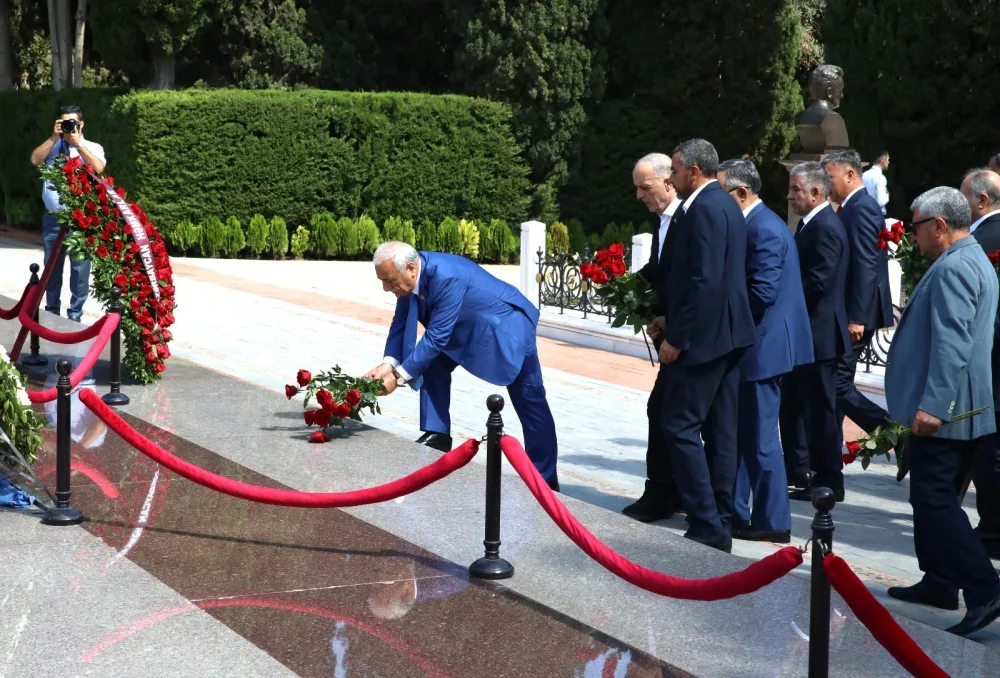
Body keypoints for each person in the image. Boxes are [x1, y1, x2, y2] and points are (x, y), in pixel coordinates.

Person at [884, 186, 1000, 638]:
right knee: (935, 497)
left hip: (950, 410)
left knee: (934, 501)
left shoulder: (954, 268)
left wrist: (934, 406)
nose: (912, 236)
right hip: (967, 406)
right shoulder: (970, 259)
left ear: (937, 226)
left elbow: (953, 344)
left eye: (915, 227)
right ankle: (940, 582)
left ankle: (984, 587)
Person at [364, 241, 560, 489]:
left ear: (412, 268)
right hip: (463, 327)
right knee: (431, 364)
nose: (385, 288)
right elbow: (400, 322)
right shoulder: (408, 279)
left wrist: (399, 377)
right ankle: (438, 435)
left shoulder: (446, 276)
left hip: (506, 327)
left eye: (389, 280)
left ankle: (546, 478)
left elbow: (436, 337)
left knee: (530, 400)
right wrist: (387, 364)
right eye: (382, 280)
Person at [650, 139, 756, 552]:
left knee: (678, 424)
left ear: (693, 171)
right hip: (726, 335)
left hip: (707, 341)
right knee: (722, 430)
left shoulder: (706, 207)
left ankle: (707, 521)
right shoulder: (725, 203)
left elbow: (705, 281)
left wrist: (677, 338)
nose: (671, 178)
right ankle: (721, 517)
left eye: (674, 171)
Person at [718, 159, 813, 543]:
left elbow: (761, 293)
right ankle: (740, 511)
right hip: (756, 343)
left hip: (764, 346)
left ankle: (773, 521)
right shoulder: (754, 224)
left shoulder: (765, 229)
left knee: (760, 437)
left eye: (720, 192)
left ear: (741, 194)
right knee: (744, 433)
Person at [780, 162, 850, 503]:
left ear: (816, 193)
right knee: (795, 406)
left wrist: (783, 301)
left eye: (796, 190)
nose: (790, 196)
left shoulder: (825, 227)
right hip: (807, 335)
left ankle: (829, 480)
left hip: (819, 337)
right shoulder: (811, 223)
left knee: (821, 412)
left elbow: (818, 281)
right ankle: (800, 471)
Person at [622, 152, 684, 522]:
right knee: (662, 412)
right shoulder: (665, 221)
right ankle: (667, 491)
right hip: (673, 329)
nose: (640, 196)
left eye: (645, 187)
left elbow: (693, 282)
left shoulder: (684, 220)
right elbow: (661, 273)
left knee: (666, 414)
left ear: (668, 182)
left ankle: (666, 494)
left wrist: (673, 327)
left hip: (689, 339)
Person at [822, 150, 895, 441]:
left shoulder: (861, 207)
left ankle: (894, 435)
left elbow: (865, 264)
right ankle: (830, 448)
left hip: (857, 316)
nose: (827, 184)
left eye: (830, 177)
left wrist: (856, 317)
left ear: (850, 175)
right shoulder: (853, 206)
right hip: (853, 313)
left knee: (838, 385)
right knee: (838, 383)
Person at [29, 105, 107, 322]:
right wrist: (54, 137)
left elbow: (99, 168)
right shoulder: (52, 146)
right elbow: (35, 160)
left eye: (72, 123)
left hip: (81, 219)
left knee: (80, 270)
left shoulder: (92, 147)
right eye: (64, 123)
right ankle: (51, 311)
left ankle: (75, 316)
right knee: (51, 269)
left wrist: (78, 144)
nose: (68, 127)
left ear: (81, 124)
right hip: (53, 219)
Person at [960, 168, 1000, 559]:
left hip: (988, 363)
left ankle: (992, 528)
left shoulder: (986, 238)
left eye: (964, 196)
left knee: (989, 452)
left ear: (982, 201)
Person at [862, 151, 890, 216]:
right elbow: (881, 202)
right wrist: (887, 194)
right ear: (883, 161)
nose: (888, 162)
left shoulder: (864, 175)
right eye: (888, 160)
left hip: (864, 213)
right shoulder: (880, 177)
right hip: (876, 215)